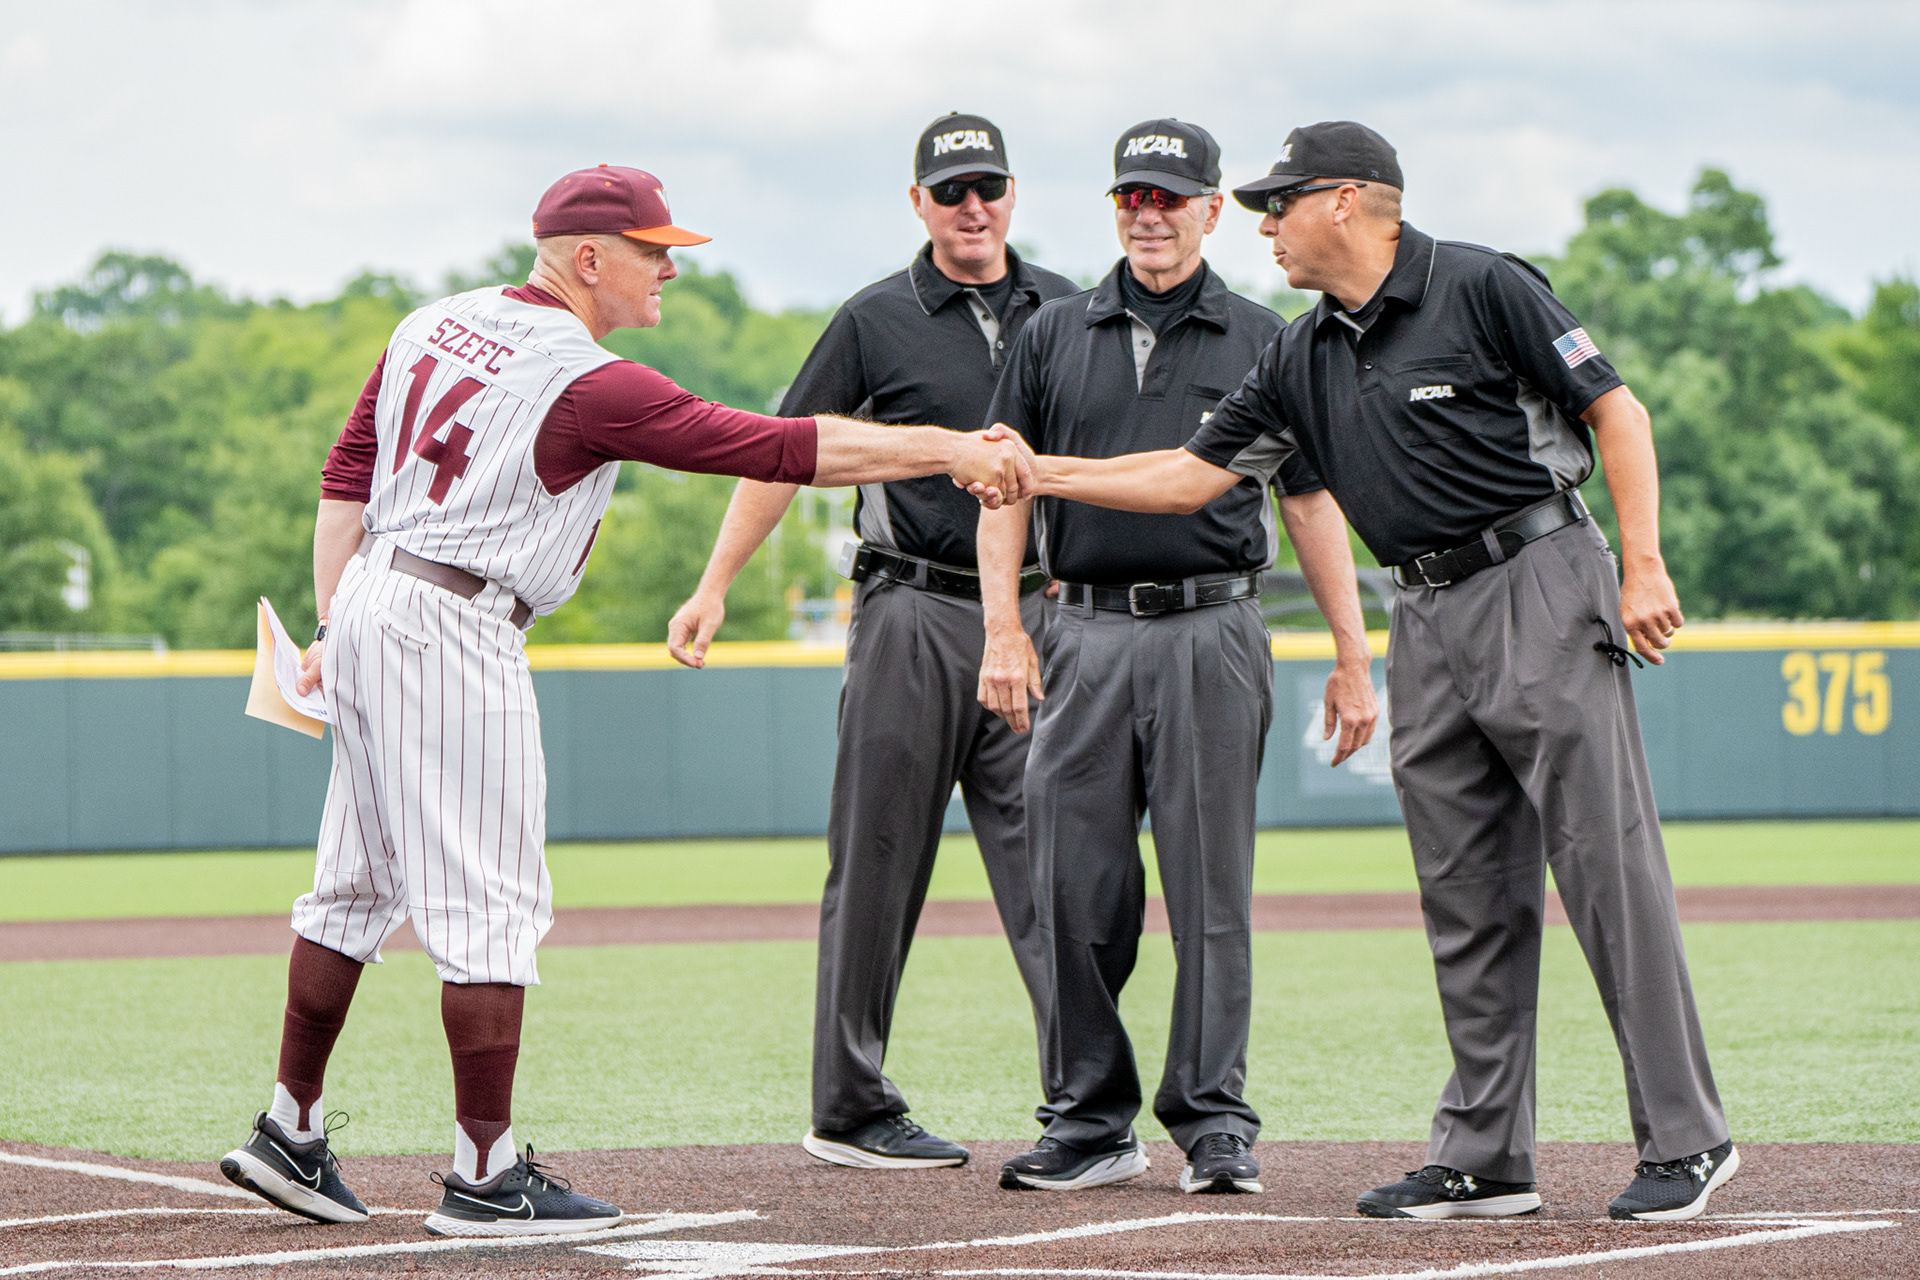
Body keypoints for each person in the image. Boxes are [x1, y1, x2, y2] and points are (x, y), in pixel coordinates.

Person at [216, 164, 1035, 1237]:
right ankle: (484, 1172)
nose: (669, 268)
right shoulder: (585, 376)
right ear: (587, 257)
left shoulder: (434, 321)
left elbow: (348, 469)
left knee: (355, 882)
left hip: (379, 591)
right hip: (455, 623)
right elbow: (776, 444)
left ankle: (291, 1126)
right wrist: (942, 445)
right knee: (490, 906)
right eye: (654, 250)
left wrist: (335, 622)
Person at [995, 121, 1737, 1223]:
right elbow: (1187, 477)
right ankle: (1487, 1154)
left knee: (1606, 870)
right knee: (1466, 892)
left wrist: (1643, 562)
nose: (1263, 225)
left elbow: (1614, 410)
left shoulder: (1482, 286)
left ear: (1347, 201)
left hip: (1537, 574)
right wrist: (1034, 467)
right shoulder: (1298, 350)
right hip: (1423, 611)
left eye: (1279, 202)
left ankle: (1688, 1138)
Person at [666, 115, 1079, 1170]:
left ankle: (1083, 1103)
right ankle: (851, 1107)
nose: (971, 206)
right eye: (951, 191)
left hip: (1034, 619)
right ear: (918, 205)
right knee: (878, 860)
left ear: (1014, 193)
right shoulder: (874, 318)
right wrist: (716, 582)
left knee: (1058, 866)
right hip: (910, 612)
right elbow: (781, 454)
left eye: (986, 186)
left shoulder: (1071, 311)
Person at [975, 119, 1377, 1195]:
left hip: (1214, 627)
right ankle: (1089, 1118)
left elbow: (1310, 501)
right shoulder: (1051, 332)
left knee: (1211, 890)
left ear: (1212, 211)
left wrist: (1352, 653)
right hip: (1083, 630)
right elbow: (1000, 487)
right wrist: (1003, 628)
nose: (1148, 216)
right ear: (1115, 210)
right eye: (1131, 199)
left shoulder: (1265, 335)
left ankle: (1213, 1121)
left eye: (1170, 198)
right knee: (1075, 885)